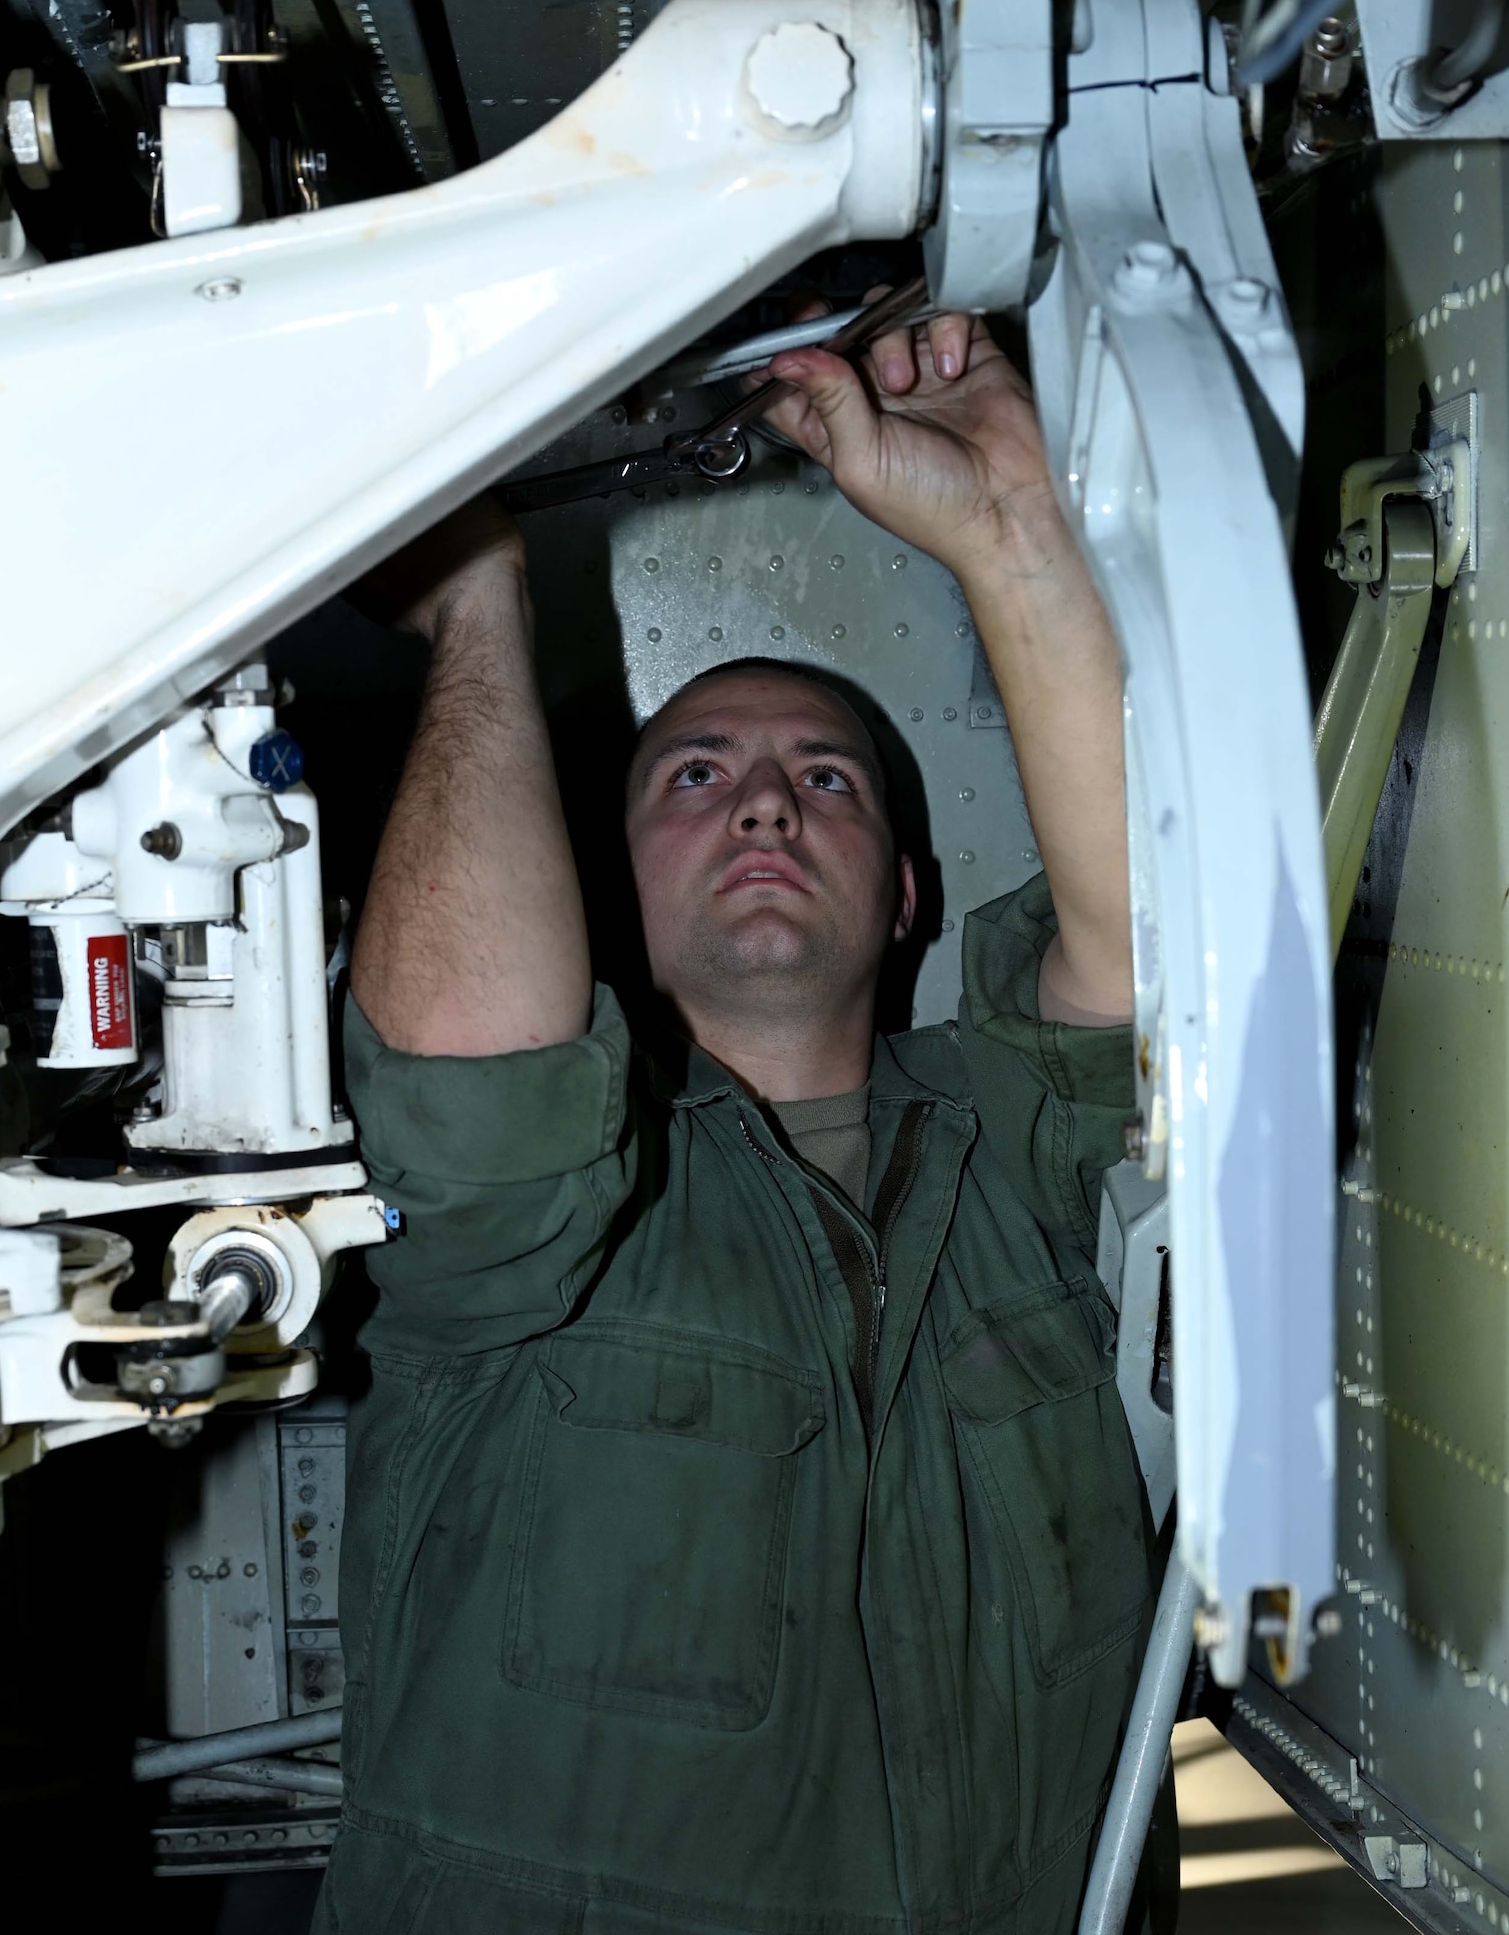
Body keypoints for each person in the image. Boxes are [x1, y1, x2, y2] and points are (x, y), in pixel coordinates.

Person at [315, 300, 1155, 1935]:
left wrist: (1005, 527)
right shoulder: (552, 1211)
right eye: (692, 776)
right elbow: (476, 1078)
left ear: (908, 897)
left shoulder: (1009, 1165)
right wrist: (477, 599)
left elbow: (1140, 960)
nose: (767, 796)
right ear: (603, 899)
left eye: (824, 779)